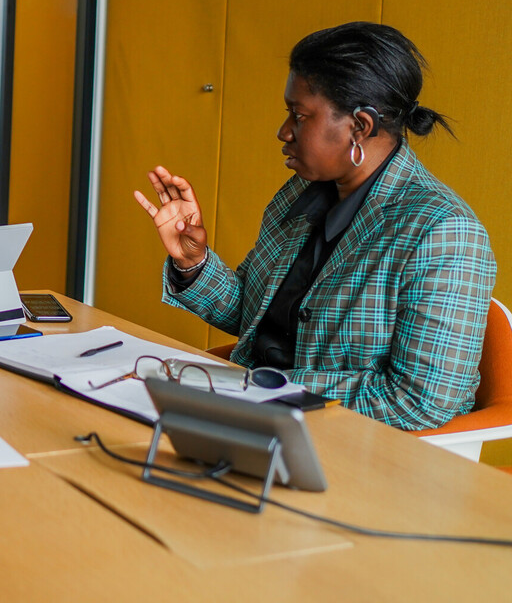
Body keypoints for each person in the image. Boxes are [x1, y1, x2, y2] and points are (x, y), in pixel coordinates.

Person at [135, 22, 496, 431]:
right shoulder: (302, 194)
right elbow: (254, 317)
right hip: (251, 415)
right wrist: (193, 261)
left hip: (347, 447)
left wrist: (258, 388)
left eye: (299, 115)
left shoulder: (442, 232)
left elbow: (419, 401)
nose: (283, 132)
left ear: (360, 126)